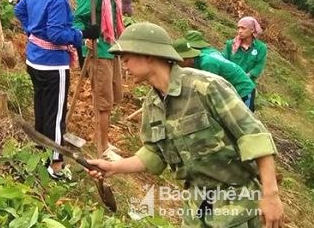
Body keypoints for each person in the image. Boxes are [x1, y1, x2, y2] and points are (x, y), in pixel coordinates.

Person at [87, 22, 284, 228]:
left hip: (238, 205)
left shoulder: (206, 87)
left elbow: (254, 136)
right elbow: (154, 154)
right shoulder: (152, 104)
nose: (124, 66)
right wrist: (113, 167)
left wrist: (271, 196)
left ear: (148, 54)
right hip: (197, 208)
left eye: (126, 58)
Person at [15, 0, 100, 180]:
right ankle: (56, 164)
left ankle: (39, 151)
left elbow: (19, 10)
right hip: (52, 64)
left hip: (34, 59)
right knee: (56, 115)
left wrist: (32, 31)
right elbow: (56, 33)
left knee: (42, 108)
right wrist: (81, 34)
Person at [74, 0, 137, 158]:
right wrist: (86, 36)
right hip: (98, 52)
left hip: (111, 49)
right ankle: (101, 148)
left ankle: (105, 141)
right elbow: (77, 18)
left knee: (112, 98)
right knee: (102, 102)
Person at [174, 38, 256, 108]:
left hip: (243, 88)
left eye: (179, 62)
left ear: (187, 58)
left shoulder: (207, 63)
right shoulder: (198, 62)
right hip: (230, 89)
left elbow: (211, 89)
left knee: (244, 119)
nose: (178, 65)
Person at [223, 17, 267, 112]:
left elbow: (259, 66)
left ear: (252, 30)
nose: (239, 31)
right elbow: (224, 61)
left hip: (247, 86)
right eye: (238, 28)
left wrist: (247, 76)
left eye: (243, 28)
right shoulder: (231, 44)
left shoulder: (260, 48)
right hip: (229, 84)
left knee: (245, 112)